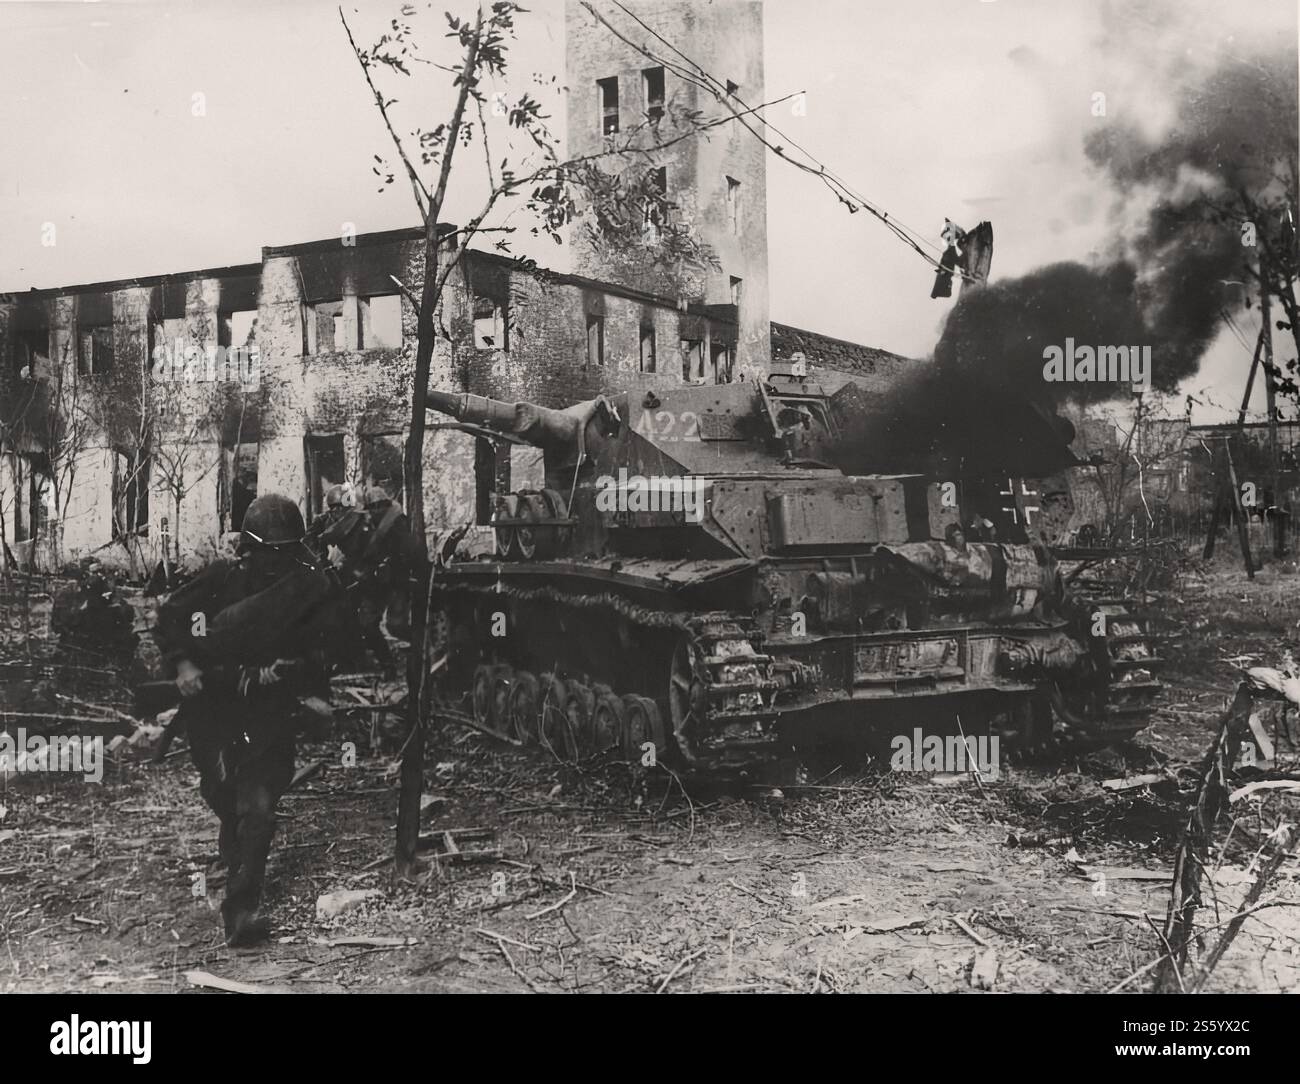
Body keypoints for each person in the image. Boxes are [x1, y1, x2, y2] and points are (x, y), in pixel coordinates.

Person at [156, 494, 347, 946]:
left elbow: (317, 651)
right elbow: (171, 618)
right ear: (250, 548)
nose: (278, 562)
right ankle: (234, 837)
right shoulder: (220, 581)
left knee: (258, 807)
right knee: (223, 793)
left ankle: (241, 912)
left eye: (287, 551)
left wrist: (319, 697)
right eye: (271, 552)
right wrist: (184, 664)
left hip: (268, 709)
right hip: (215, 707)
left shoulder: (304, 591)